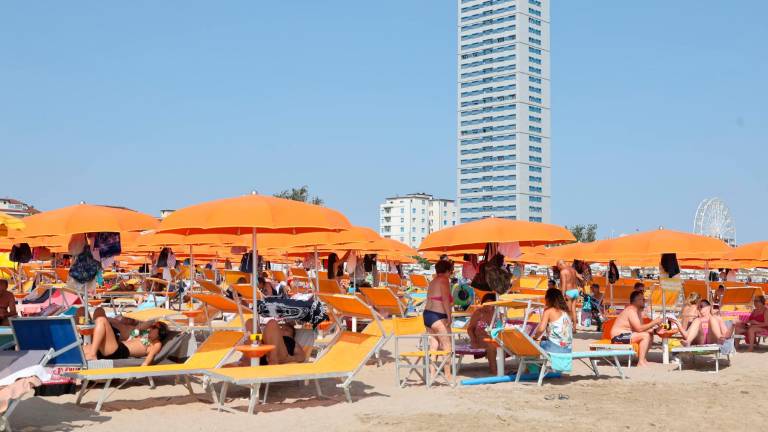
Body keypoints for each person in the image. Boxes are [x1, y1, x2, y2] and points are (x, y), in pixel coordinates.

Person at [84, 315, 168, 366]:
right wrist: (152, 321)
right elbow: (136, 329)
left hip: (119, 351)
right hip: (116, 346)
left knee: (101, 320)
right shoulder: (144, 335)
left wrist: (144, 366)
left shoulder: (156, 343)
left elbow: (151, 355)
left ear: (161, 332)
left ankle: (93, 354)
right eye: (151, 326)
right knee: (82, 350)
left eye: (154, 327)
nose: (150, 328)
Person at [610, 290, 663, 366]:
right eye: (642, 299)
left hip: (626, 334)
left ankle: (643, 359)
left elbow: (641, 329)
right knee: (645, 335)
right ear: (635, 301)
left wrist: (655, 331)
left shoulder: (637, 311)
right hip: (618, 337)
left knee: (649, 334)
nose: (644, 301)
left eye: (644, 299)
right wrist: (654, 322)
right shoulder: (631, 310)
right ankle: (640, 362)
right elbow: (639, 329)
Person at [423, 259, 454, 380]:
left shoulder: (433, 281)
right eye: (450, 272)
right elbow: (445, 299)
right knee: (447, 345)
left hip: (427, 315)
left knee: (434, 345)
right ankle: (448, 375)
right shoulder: (444, 280)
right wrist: (449, 316)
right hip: (438, 315)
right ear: (447, 271)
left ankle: (432, 374)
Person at [533, 288, 573, 353]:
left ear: (549, 299)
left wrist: (534, 338)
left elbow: (541, 329)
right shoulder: (566, 312)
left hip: (554, 348)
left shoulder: (549, 311)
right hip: (568, 349)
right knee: (544, 340)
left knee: (535, 344)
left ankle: (535, 363)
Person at [467, 293, 498, 374]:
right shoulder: (478, 313)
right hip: (481, 337)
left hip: (494, 337)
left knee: (502, 346)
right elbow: (470, 329)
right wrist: (473, 340)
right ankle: (493, 370)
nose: (488, 306)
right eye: (486, 303)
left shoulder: (497, 313)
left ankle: (499, 368)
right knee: (491, 345)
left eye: (491, 303)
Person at [556, 260, 579, 325]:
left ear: (560, 264)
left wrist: (562, 295)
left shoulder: (563, 272)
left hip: (569, 291)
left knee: (568, 310)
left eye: (558, 267)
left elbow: (564, 284)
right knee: (573, 309)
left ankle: (568, 326)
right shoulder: (573, 270)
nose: (558, 269)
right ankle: (574, 327)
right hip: (575, 291)